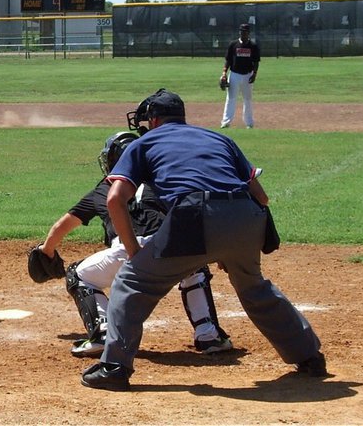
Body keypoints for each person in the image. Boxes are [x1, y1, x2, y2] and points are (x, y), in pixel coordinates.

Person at [81, 89, 326, 391]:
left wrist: (133, 251)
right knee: (254, 288)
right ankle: (310, 356)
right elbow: (261, 196)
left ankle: (115, 367)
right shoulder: (219, 138)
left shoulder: (144, 142)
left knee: (131, 283)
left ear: (153, 120)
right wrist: (230, 243)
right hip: (247, 216)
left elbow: (115, 200)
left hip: (195, 216)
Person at [38, 131, 232, 358]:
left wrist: (46, 249)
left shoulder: (104, 187)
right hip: (168, 246)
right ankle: (209, 335)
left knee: (77, 275)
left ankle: (102, 334)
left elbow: (64, 224)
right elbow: (191, 213)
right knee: (194, 265)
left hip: (128, 252)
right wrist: (219, 250)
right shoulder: (162, 179)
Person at [220, 23, 260, 129]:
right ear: (239, 32)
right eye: (242, 31)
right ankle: (226, 122)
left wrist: (254, 74)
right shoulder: (233, 45)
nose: (243, 33)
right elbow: (228, 60)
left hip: (248, 75)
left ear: (248, 33)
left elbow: (256, 62)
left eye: (245, 31)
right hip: (234, 75)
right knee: (231, 98)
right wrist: (224, 73)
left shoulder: (253, 46)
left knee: (248, 99)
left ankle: (249, 123)